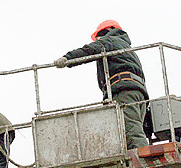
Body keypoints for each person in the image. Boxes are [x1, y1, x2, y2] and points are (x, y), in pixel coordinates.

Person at [53, 20, 149, 149]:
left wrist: (68, 59)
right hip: (136, 92)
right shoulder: (127, 49)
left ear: (106, 32)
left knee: (130, 131)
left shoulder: (111, 40)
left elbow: (90, 50)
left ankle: (142, 159)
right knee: (127, 130)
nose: (97, 40)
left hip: (123, 91)